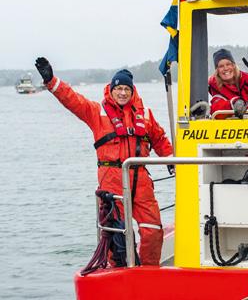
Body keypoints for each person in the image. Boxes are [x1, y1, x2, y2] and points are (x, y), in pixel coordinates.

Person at [35, 57, 173, 266]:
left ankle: (149, 272)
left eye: (127, 89)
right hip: (112, 180)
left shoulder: (146, 115)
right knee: (115, 232)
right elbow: (73, 100)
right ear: (111, 90)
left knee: (153, 229)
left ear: (133, 91)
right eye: (119, 89)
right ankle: (117, 273)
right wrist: (52, 81)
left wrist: (171, 160)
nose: (123, 93)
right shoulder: (96, 113)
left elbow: (160, 139)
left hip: (141, 180)